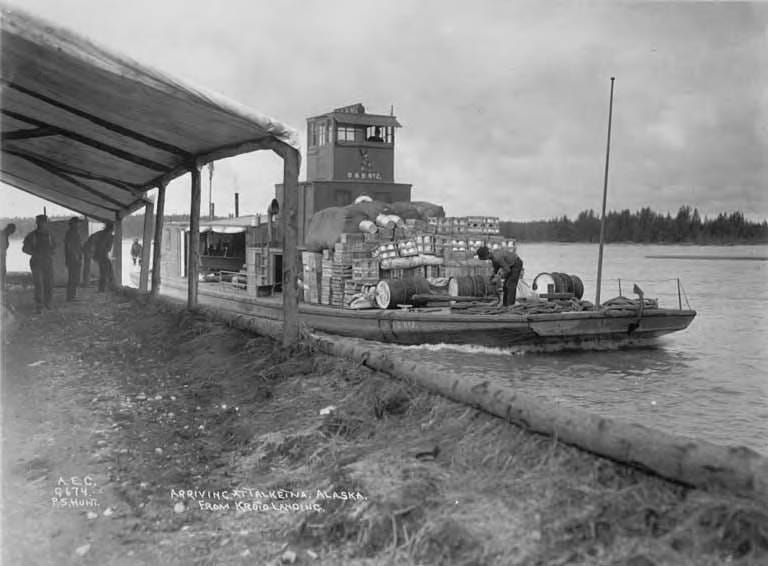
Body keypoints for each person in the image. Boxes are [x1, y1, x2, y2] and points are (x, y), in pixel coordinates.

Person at [22, 215, 55, 313]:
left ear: (46, 223)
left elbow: (54, 246)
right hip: (36, 262)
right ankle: (39, 305)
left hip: (48, 261)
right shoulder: (31, 235)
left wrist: (51, 252)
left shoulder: (50, 235)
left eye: (44, 222)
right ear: (37, 223)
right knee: (39, 284)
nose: (41, 224)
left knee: (49, 283)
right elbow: (24, 249)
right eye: (39, 222)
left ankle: (48, 303)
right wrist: (35, 254)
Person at [64, 217, 83, 301]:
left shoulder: (74, 232)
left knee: (74, 278)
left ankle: (72, 296)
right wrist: (76, 257)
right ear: (74, 224)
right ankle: (70, 297)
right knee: (73, 278)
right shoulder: (71, 233)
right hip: (73, 259)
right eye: (78, 222)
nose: (79, 224)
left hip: (74, 258)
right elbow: (70, 247)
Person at [92, 222, 115, 292]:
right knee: (104, 273)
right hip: (102, 255)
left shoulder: (101, 233)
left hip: (100, 255)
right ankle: (102, 289)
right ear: (111, 228)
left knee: (108, 270)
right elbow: (105, 247)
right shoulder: (107, 235)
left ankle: (107, 287)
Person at [1, 222, 16, 288]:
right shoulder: (2, 234)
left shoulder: (5, 235)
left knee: (3, 270)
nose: (12, 232)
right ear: (9, 229)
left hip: (2, 255)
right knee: (2, 270)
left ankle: (2, 285)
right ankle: (2, 286)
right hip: (1, 255)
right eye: (12, 231)